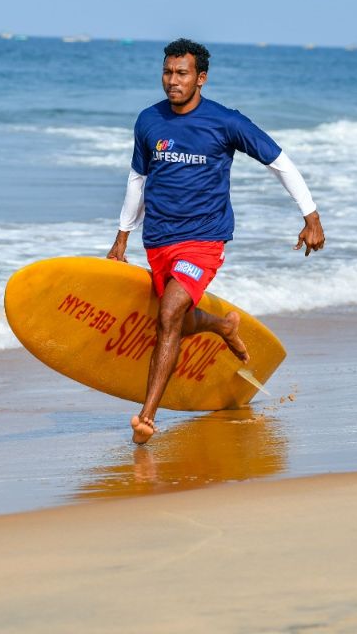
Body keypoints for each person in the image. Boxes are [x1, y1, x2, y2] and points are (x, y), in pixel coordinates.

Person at [107, 38, 325, 444]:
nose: (173, 81)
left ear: (201, 78)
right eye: (168, 72)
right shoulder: (148, 121)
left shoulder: (226, 122)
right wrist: (122, 237)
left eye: (182, 73)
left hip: (204, 240)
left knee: (170, 312)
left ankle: (146, 416)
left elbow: (278, 161)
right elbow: (138, 179)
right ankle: (222, 325)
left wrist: (310, 214)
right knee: (177, 319)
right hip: (158, 240)